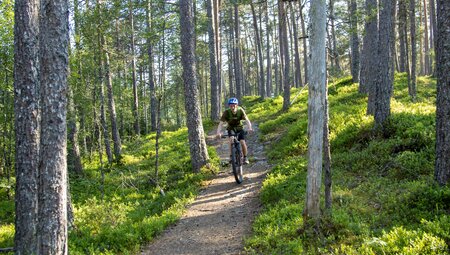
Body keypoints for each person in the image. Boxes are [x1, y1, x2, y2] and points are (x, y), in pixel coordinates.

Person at [216, 97, 253, 164]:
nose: (233, 106)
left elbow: (247, 120)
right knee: (231, 140)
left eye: (234, 105)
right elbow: (221, 123)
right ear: (229, 106)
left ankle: (245, 157)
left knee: (242, 142)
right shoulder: (226, 112)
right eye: (231, 105)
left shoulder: (240, 110)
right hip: (231, 128)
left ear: (237, 105)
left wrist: (250, 128)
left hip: (239, 128)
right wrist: (218, 132)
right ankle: (231, 157)